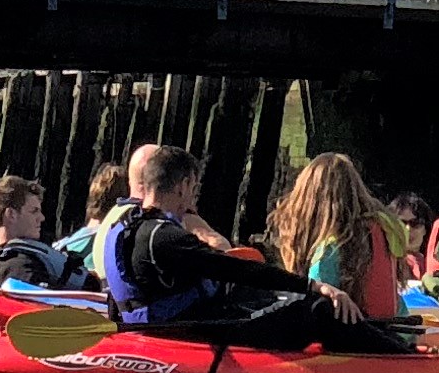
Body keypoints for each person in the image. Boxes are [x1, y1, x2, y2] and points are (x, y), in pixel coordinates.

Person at [99, 143, 401, 353]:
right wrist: (313, 286)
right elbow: (239, 270)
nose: (193, 199)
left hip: (163, 331)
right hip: (196, 336)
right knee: (320, 309)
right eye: (193, 190)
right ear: (183, 185)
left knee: (274, 301)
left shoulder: (123, 229)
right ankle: (405, 358)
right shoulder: (166, 238)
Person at [267, 152, 403, 315]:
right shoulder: (384, 231)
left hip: (350, 335)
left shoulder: (333, 246)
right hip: (389, 333)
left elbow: (313, 304)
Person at [0, 171, 87, 289]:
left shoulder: (15, 261)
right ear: (11, 214)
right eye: (34, 211)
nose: (42, 218)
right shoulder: (18, 265)